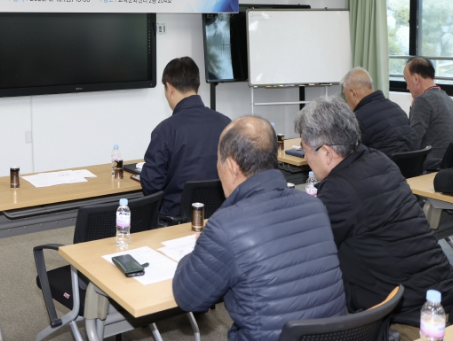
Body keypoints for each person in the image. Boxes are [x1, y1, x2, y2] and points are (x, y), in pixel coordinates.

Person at [173, 116, 347, 341]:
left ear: (232, 166)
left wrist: (195, 252)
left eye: (219, 161)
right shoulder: (315, 207)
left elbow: (188, 297)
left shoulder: (226, 226)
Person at [295, 96, 453, 340]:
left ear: (326, 152)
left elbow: (307, 251)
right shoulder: (378, 160)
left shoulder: (339, 190)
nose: (306, 158)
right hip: (440, 292)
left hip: (412, 316)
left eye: (305, 151)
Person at [140, 57, 231, 216]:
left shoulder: (165, 130)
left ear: (169, 88)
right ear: (198, 88)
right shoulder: (227, 124)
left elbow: (151, 185)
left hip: (175, 221)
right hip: (218, 217)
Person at [340, 67, 411, 157]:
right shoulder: (397, 108)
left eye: (345, 95)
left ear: (353, 94)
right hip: (410, 165)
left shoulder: (358, 119)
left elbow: (349, 155)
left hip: (384, 165)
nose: (346, 101)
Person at [403, 57, 453, 171]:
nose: (407, 87)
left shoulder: (423, 100)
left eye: (407, 81)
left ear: (416, 79)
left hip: (430, 169)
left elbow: (413, 143)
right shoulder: (447, 99)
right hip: (446, 168)